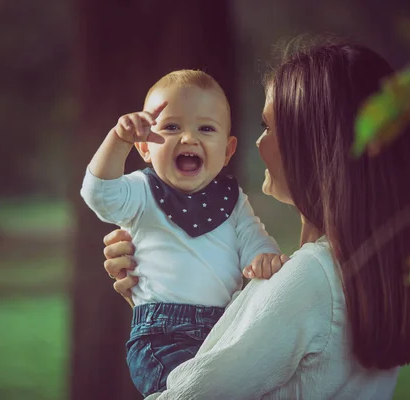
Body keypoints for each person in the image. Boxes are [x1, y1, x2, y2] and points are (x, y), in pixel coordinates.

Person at [102, 36, 410, 399]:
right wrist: (159, 295)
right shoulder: (364, 271)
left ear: (312, 145)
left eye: (269, 127)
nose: (258, 143)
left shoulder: (310, 278)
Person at [80, 70, 287, 397]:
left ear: (228, 151)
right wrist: (117, 140)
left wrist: (264, 258)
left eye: (206, 128)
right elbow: (99, 194)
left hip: (223, 332)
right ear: (145, 148)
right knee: (186, 391)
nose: (188, 138)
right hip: (161, 334)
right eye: (172, 127)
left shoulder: (233, 202)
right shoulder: (141, 192)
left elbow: (254, 240)